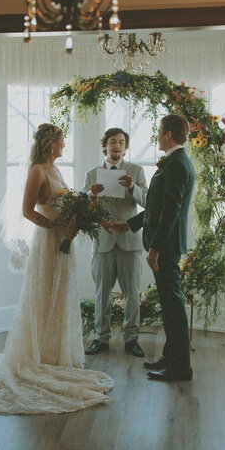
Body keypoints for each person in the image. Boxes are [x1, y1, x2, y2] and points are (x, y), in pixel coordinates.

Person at [0, 123, 114, 415]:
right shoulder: (37, 170)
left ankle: (54, 354)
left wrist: (88, 203)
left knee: (59, 295)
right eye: (62, 142)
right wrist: (57, 227)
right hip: (48, 244)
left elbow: (65, 203)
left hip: (63, 242)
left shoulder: (56, 170)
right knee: (44, 295)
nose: (64, 146)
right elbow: (27, 210)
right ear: (51, 144)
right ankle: (38, 355)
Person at [110, 114, 196, 382]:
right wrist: (130, 224)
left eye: (159, 131)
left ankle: (181, 366)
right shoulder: (174, 162)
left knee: (173, 305)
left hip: (167, 246)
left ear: (169, 134)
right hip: (165, 243)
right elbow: (157, 207)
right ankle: (171, 358)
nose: (157, 135)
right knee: (170, 305)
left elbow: (171, 211)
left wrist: (155, 248)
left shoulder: (177, 165)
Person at [82, 128, 148, 358]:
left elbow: (149, 202)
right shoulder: (92, 173)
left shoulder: (136, 171)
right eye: (112, 142)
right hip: (103, 240)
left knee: (132, 292)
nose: (116, 146)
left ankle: (131, 339)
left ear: (125, 147)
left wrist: (133, 187)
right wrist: (91, 195)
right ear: (105, 145)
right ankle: (100, 338)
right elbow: (81, 208)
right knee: (102, 293)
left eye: (121, 142)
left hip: (130, 240)